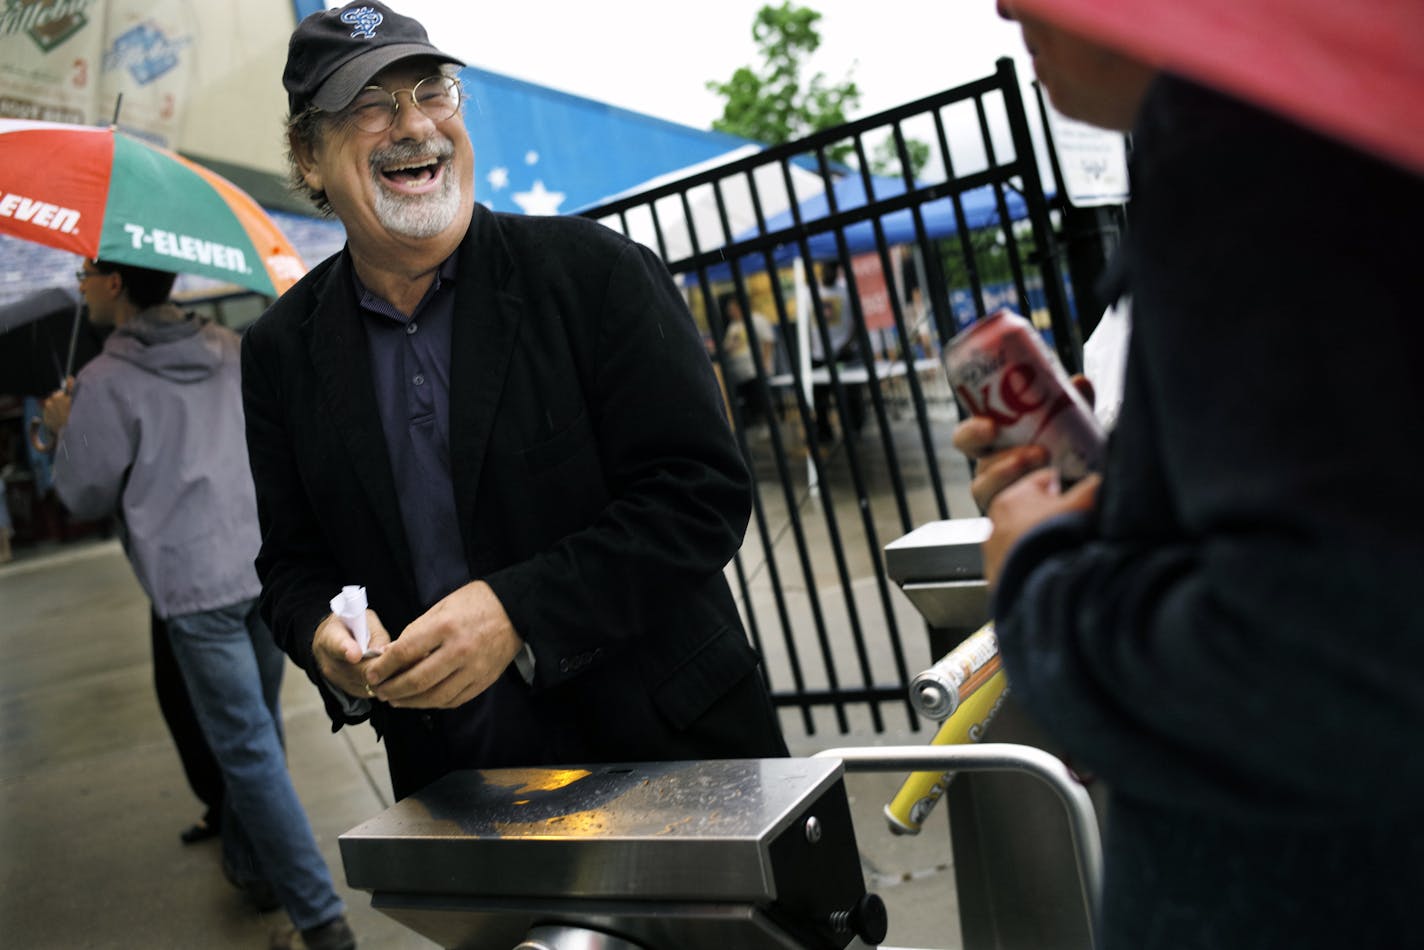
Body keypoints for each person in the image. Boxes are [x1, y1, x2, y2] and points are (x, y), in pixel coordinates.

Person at [954, 2, 1424, 947]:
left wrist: (1040, 574)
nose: (1003, 6)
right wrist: (1129, 481)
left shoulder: (1252, 148)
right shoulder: (1355, 118)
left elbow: (1312, 657)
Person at [242, 1, 787, 805]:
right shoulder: (280, 350)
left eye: (432, 92)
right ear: (308, 156)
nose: (415, 126)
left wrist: (516, 612)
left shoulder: (596, 275)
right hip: (461, 785)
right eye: (368, 106)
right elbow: (290, 564)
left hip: (669, 755)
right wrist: (325, 638)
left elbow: (700, 497)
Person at [42, 260, 355, 950]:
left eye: (89, 271)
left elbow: (84, 496)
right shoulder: (227, 347)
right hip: (264, 568)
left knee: (247, 748)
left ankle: (321, 920)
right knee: (259, 733)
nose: (81, 280)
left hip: (193, 588)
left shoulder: (103, 381)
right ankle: (254, 866)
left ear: (116, 284)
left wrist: (63, 429)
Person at [717, 292, 776, 430]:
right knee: (748, 404)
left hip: (754, 370)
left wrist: (765, 362)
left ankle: (766, 428)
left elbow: (768, 341)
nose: (729, 312)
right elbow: (728, 346)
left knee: (759, 402)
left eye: (731, 308)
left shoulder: (756, 320)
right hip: (739, 373)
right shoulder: (734, 325)